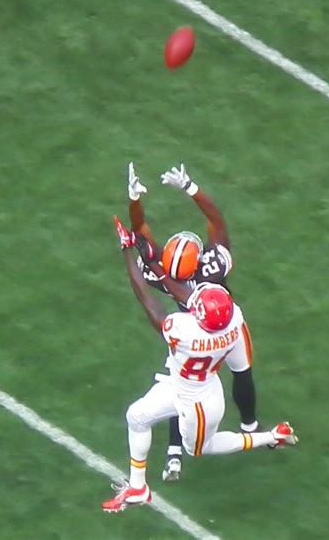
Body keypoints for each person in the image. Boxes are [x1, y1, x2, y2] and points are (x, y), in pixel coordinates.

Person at [101, 217, 298, 513]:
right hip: (188, 386)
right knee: (136, 416)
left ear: (200, 316)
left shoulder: (184, 331)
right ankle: (138, 487)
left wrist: (130, 251)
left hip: (199, 405)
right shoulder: (231, 321)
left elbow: (146, 297)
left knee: (202, 448)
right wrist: (152, 262)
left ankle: (271, 436)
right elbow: (190, 297)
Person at [127, 161, 261, 482]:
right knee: (241, 372)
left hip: (190, 333)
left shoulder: (163, 274)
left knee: (181, 382)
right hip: (228, 325)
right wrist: (191, 187)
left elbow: (140, 236)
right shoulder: (213, 266)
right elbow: (217, 222)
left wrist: (134, 201)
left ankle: (175, 452)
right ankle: (250, 427)